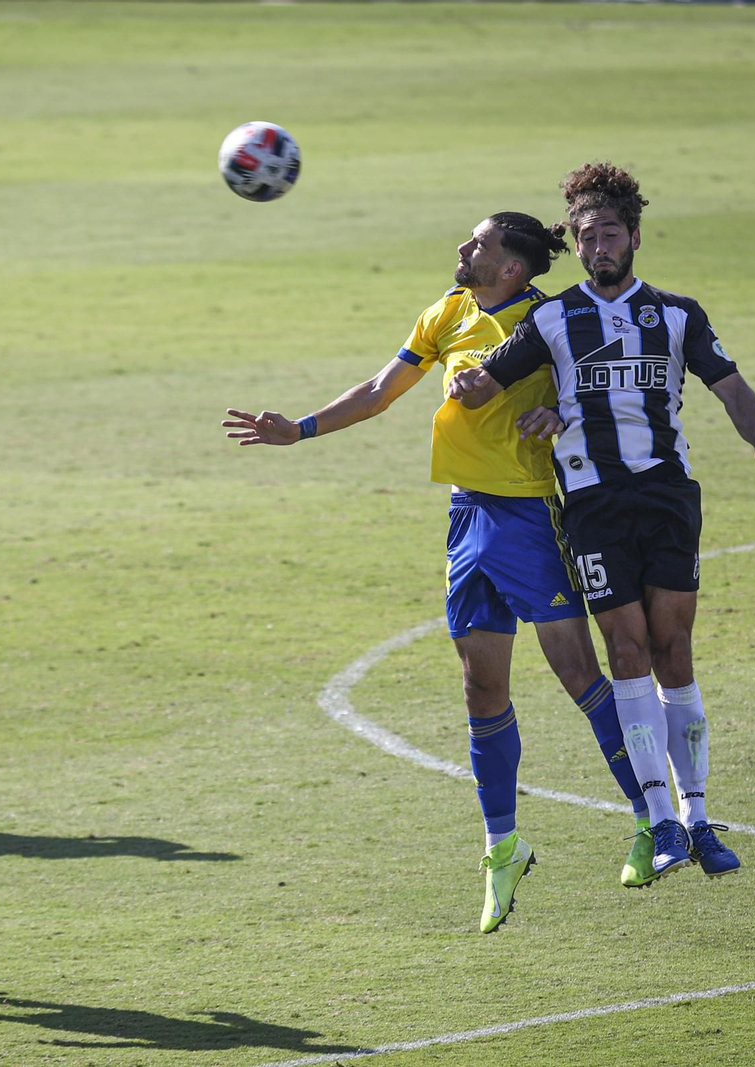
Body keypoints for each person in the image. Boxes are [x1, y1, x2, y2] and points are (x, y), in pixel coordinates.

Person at [223, 212, 653, 934]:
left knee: (579, 675)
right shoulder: (448, 311)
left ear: (511, 267)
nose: (463, 248)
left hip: (529, 516)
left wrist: (559, 412)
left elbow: (607, 395)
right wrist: (299, 429)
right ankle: (503, 847)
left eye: (479, 243)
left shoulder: (550, 320)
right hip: (466, 517)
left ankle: (651, 818)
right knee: (481, 687)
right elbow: (379, 389)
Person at [449, 162, 755, 885]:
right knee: (628, 651)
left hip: (668, 496)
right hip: (593, 504)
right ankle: (661, 819)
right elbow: (490, 379)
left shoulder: (677, 314)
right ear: (576, 245)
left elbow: (729, 384)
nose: (598, 246)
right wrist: (466, 377)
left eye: (610, 233)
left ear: (634, 237)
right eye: (586, 236)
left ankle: (699, 817)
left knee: (675, 649)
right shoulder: (552, 318)